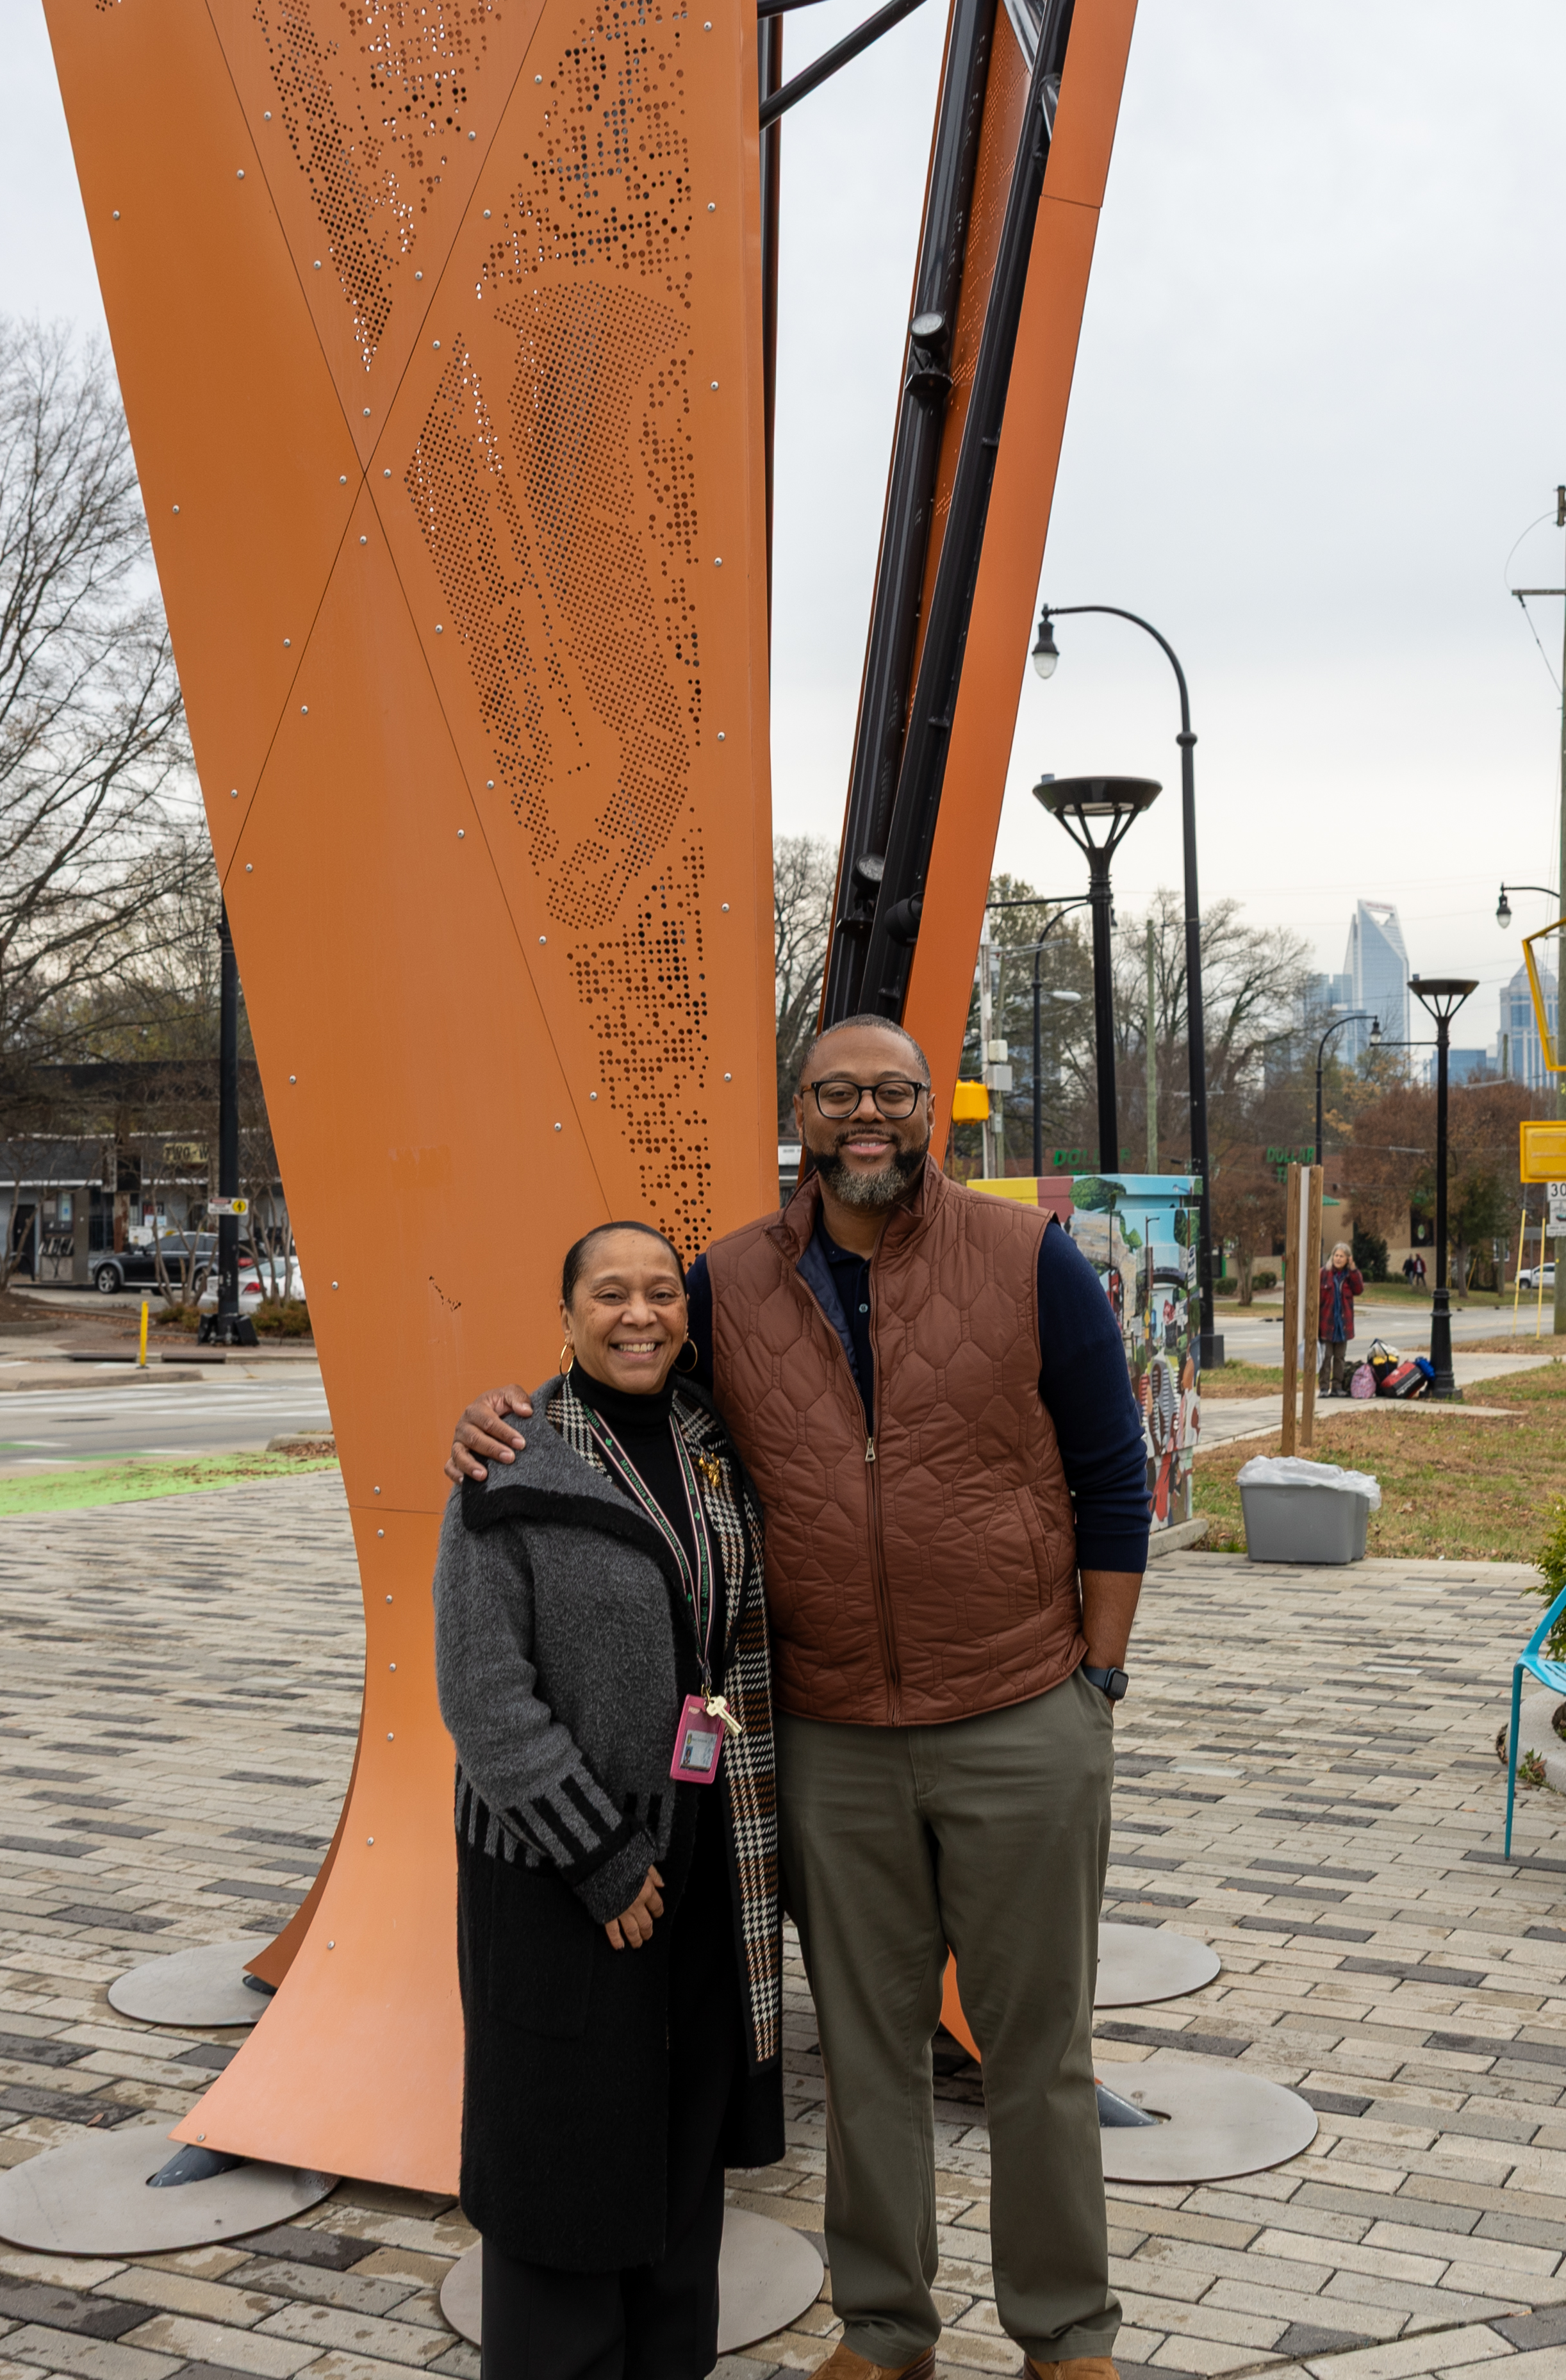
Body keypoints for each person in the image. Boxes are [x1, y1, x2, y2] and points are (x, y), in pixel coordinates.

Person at [451, 1015, 1154, 2380]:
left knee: (1038, 2048)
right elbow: (632, 1384)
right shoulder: (727, 1281)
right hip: (827, 1734)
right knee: (872, 2050)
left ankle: (1067, 2333)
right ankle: (886, 2327)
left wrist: (1098, 1676)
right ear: (803, 1114)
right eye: (839, 1094)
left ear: (931, 1109)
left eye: (893, 1090)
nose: (868, 1115)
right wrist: (504, 1420)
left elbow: (1114, 1471)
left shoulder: (1028, 1258)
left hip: (1018, 1707)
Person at [435, 1222, 781, 2380]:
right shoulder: (510, 1464)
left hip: (702, 1855)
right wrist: (601, 1858)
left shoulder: (716, 1441)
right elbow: (484, 1698)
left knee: (681, 2153)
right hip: (559, 1878)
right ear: (567, 1316)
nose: (640, 1315)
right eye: (609, 1295)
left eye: (661, 1295)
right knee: (565, 2168)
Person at [1315, 1243, 1362, 1395]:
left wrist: (1354, 1270)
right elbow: (1315, 1298)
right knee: (1326, 1357)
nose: (1338, 1258)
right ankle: (1323, 1388)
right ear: (1332, 1256)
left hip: (1343, 1325)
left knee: (1340, 1358)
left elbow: (1359, 1289)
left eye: (1342, 1256)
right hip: (1326, 1323)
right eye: (1336, 1255)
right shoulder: (1323, 1273)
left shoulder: (1350, 1276)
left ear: (1348, 1259)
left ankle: (1337, 1388)